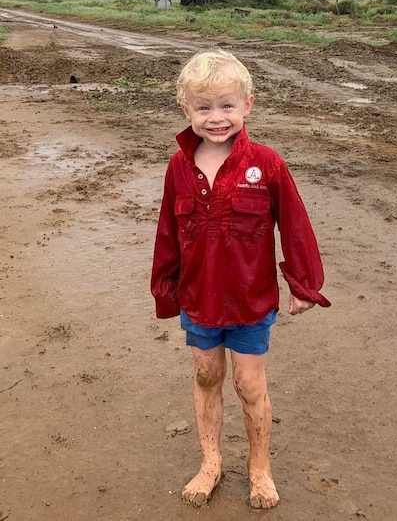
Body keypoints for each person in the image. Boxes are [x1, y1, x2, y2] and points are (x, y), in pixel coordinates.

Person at [151, 48, 330, 509]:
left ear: (247, 105)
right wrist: (166, 288)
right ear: (186, 110)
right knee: (207, 374)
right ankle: (211, 463)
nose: (216, 118)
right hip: (198, 298)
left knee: (249, 384)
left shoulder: (266, 164)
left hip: (251, 301)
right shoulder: (178, 167)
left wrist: (303, 283)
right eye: (204, 107)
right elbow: (168, 232)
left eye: (227, 105)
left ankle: (259, 468)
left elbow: (294, 223)